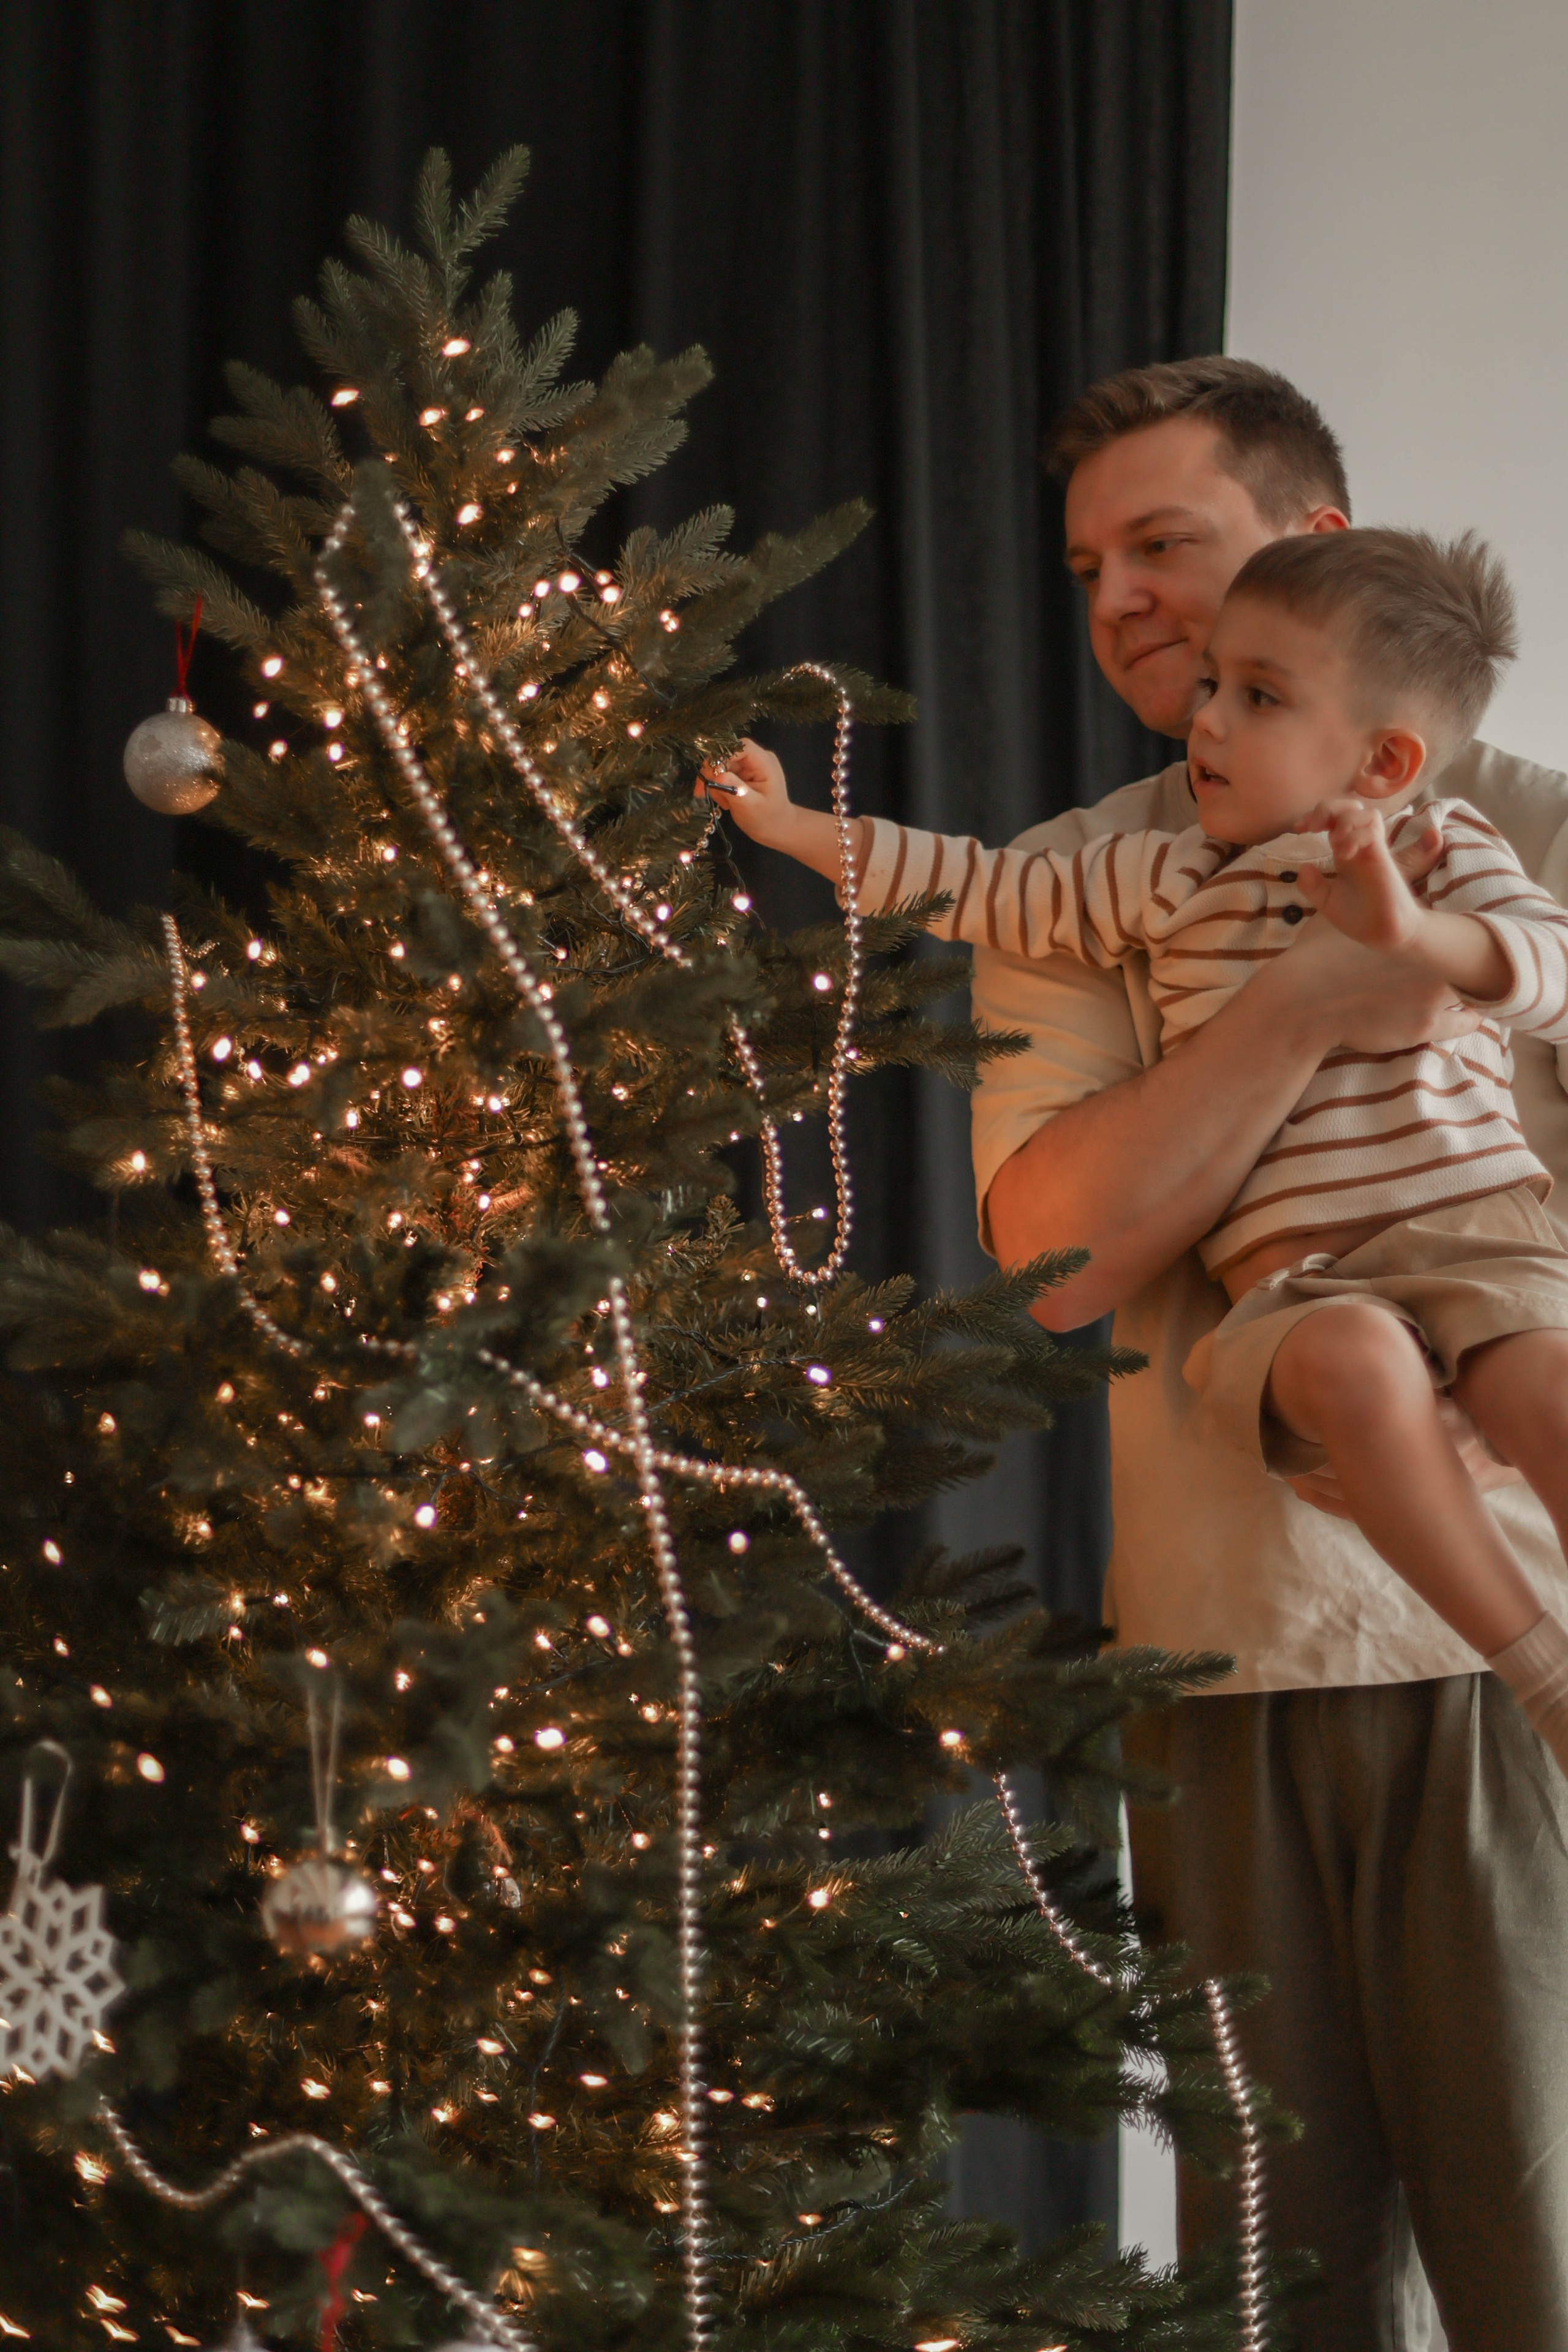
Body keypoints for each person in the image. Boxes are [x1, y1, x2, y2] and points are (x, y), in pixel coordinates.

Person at [727, 359, 1568, 2350]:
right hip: (1210, 1661)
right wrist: (1312, 1001)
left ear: (1315, 542)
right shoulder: (1094, 878)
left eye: (1165, 545)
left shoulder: (1514, 823)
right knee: (1268, 2280)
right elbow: (1059, 1256)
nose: (1118, 601)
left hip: (1496, 1661)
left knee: (1532, 2248)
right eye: (1089, 565)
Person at [707, 522, 1568, 1782]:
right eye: (1214, 684)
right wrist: (792, 829)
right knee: (1356, 1372)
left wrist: (1413, 939)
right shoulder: (1161, 878)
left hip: (1476, 1230)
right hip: (1301, 1279)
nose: (1204, 720)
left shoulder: (1441, 846)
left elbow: (1545, 968)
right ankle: (1543, 1674)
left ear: (1384, 761)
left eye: (1258, 697)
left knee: (1547, 1385)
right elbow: (972, 886)